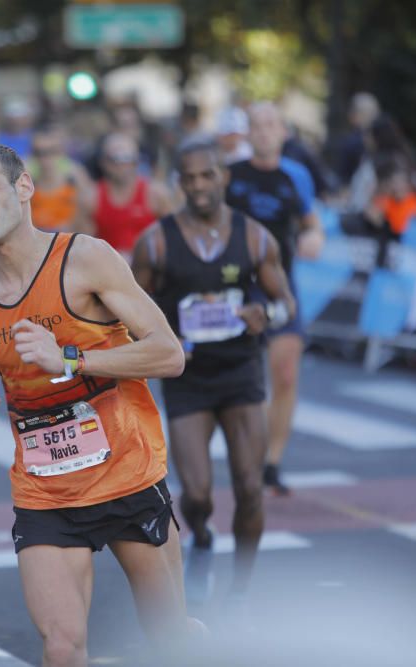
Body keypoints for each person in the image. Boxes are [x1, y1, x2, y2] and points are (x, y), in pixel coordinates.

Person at [0, 143, 201, 665]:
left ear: (24, 188)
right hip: (46, 494)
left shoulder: (86, 259)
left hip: (127, 473)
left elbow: (168, 353)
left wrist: (69, 359)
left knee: (170, 639)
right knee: (61, 647)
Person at [132, 139, 296, 609]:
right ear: (178, 182)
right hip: (187, 376)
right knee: (198, 494)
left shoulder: (255, 238)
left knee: (250, 488)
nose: (199, 186)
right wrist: (156, 339)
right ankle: (202, 537)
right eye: (189, 178)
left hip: (241, 373)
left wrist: (265, 313)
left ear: (222, 177)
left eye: (207, 176)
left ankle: (241, 588)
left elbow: (287, 304)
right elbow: (128, 308)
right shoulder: (157, 241)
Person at [225, 102, 324, 495]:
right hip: (235, 285)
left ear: (283, 131)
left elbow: (310, 220)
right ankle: (244, 453)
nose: (264, 132)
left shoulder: (295, 175)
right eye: (256, 126)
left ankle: (272, 463)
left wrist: (314, 235)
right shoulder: (230, 175)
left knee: (284, 373)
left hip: (280, 284)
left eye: (271, 125)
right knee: (243, 377)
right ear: (247, 133)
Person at [82, 132, 173, 259]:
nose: (121, 166)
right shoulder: (91, 198)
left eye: (127, 158)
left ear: (137, 161)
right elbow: (82, 247)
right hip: (108, 271)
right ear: (103, 162)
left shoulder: (156, 194)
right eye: (115, 159)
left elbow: (172, 240)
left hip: (148, 270)